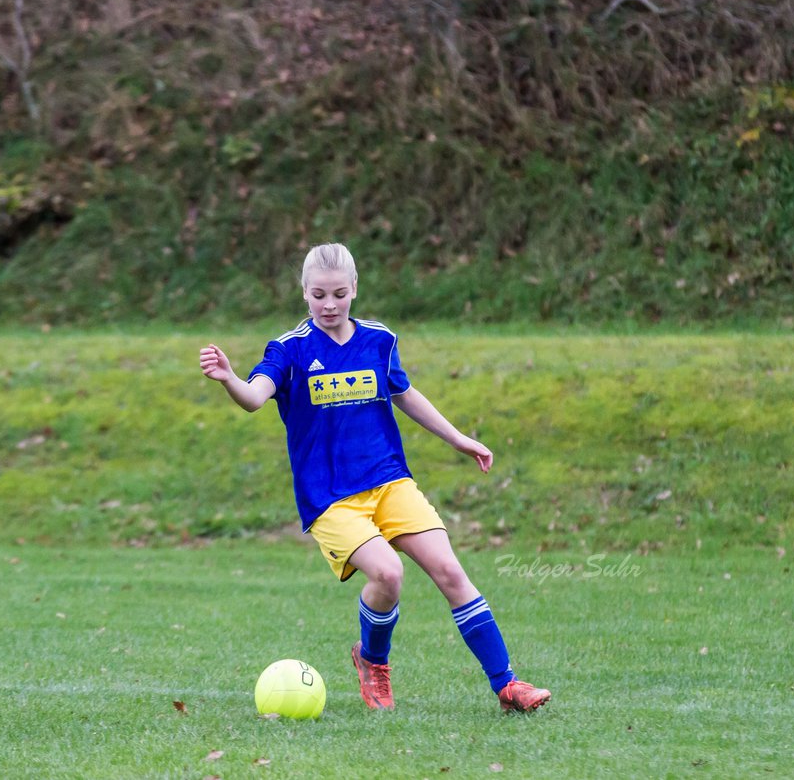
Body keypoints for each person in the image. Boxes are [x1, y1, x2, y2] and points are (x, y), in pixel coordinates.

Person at [199, 243, 550, 713]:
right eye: (319, 294)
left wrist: (459, 438)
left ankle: (508, 685)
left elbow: (404, 392)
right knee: (388, 573)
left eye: (339, 294)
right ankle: (372, 662)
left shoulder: (379, 340)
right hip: (330, 498)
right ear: (303, 293)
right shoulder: (289, 349)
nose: (329, 305)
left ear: (355, 290)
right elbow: (255, 397)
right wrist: (229, 379)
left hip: (389, 481)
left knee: (450, 571)